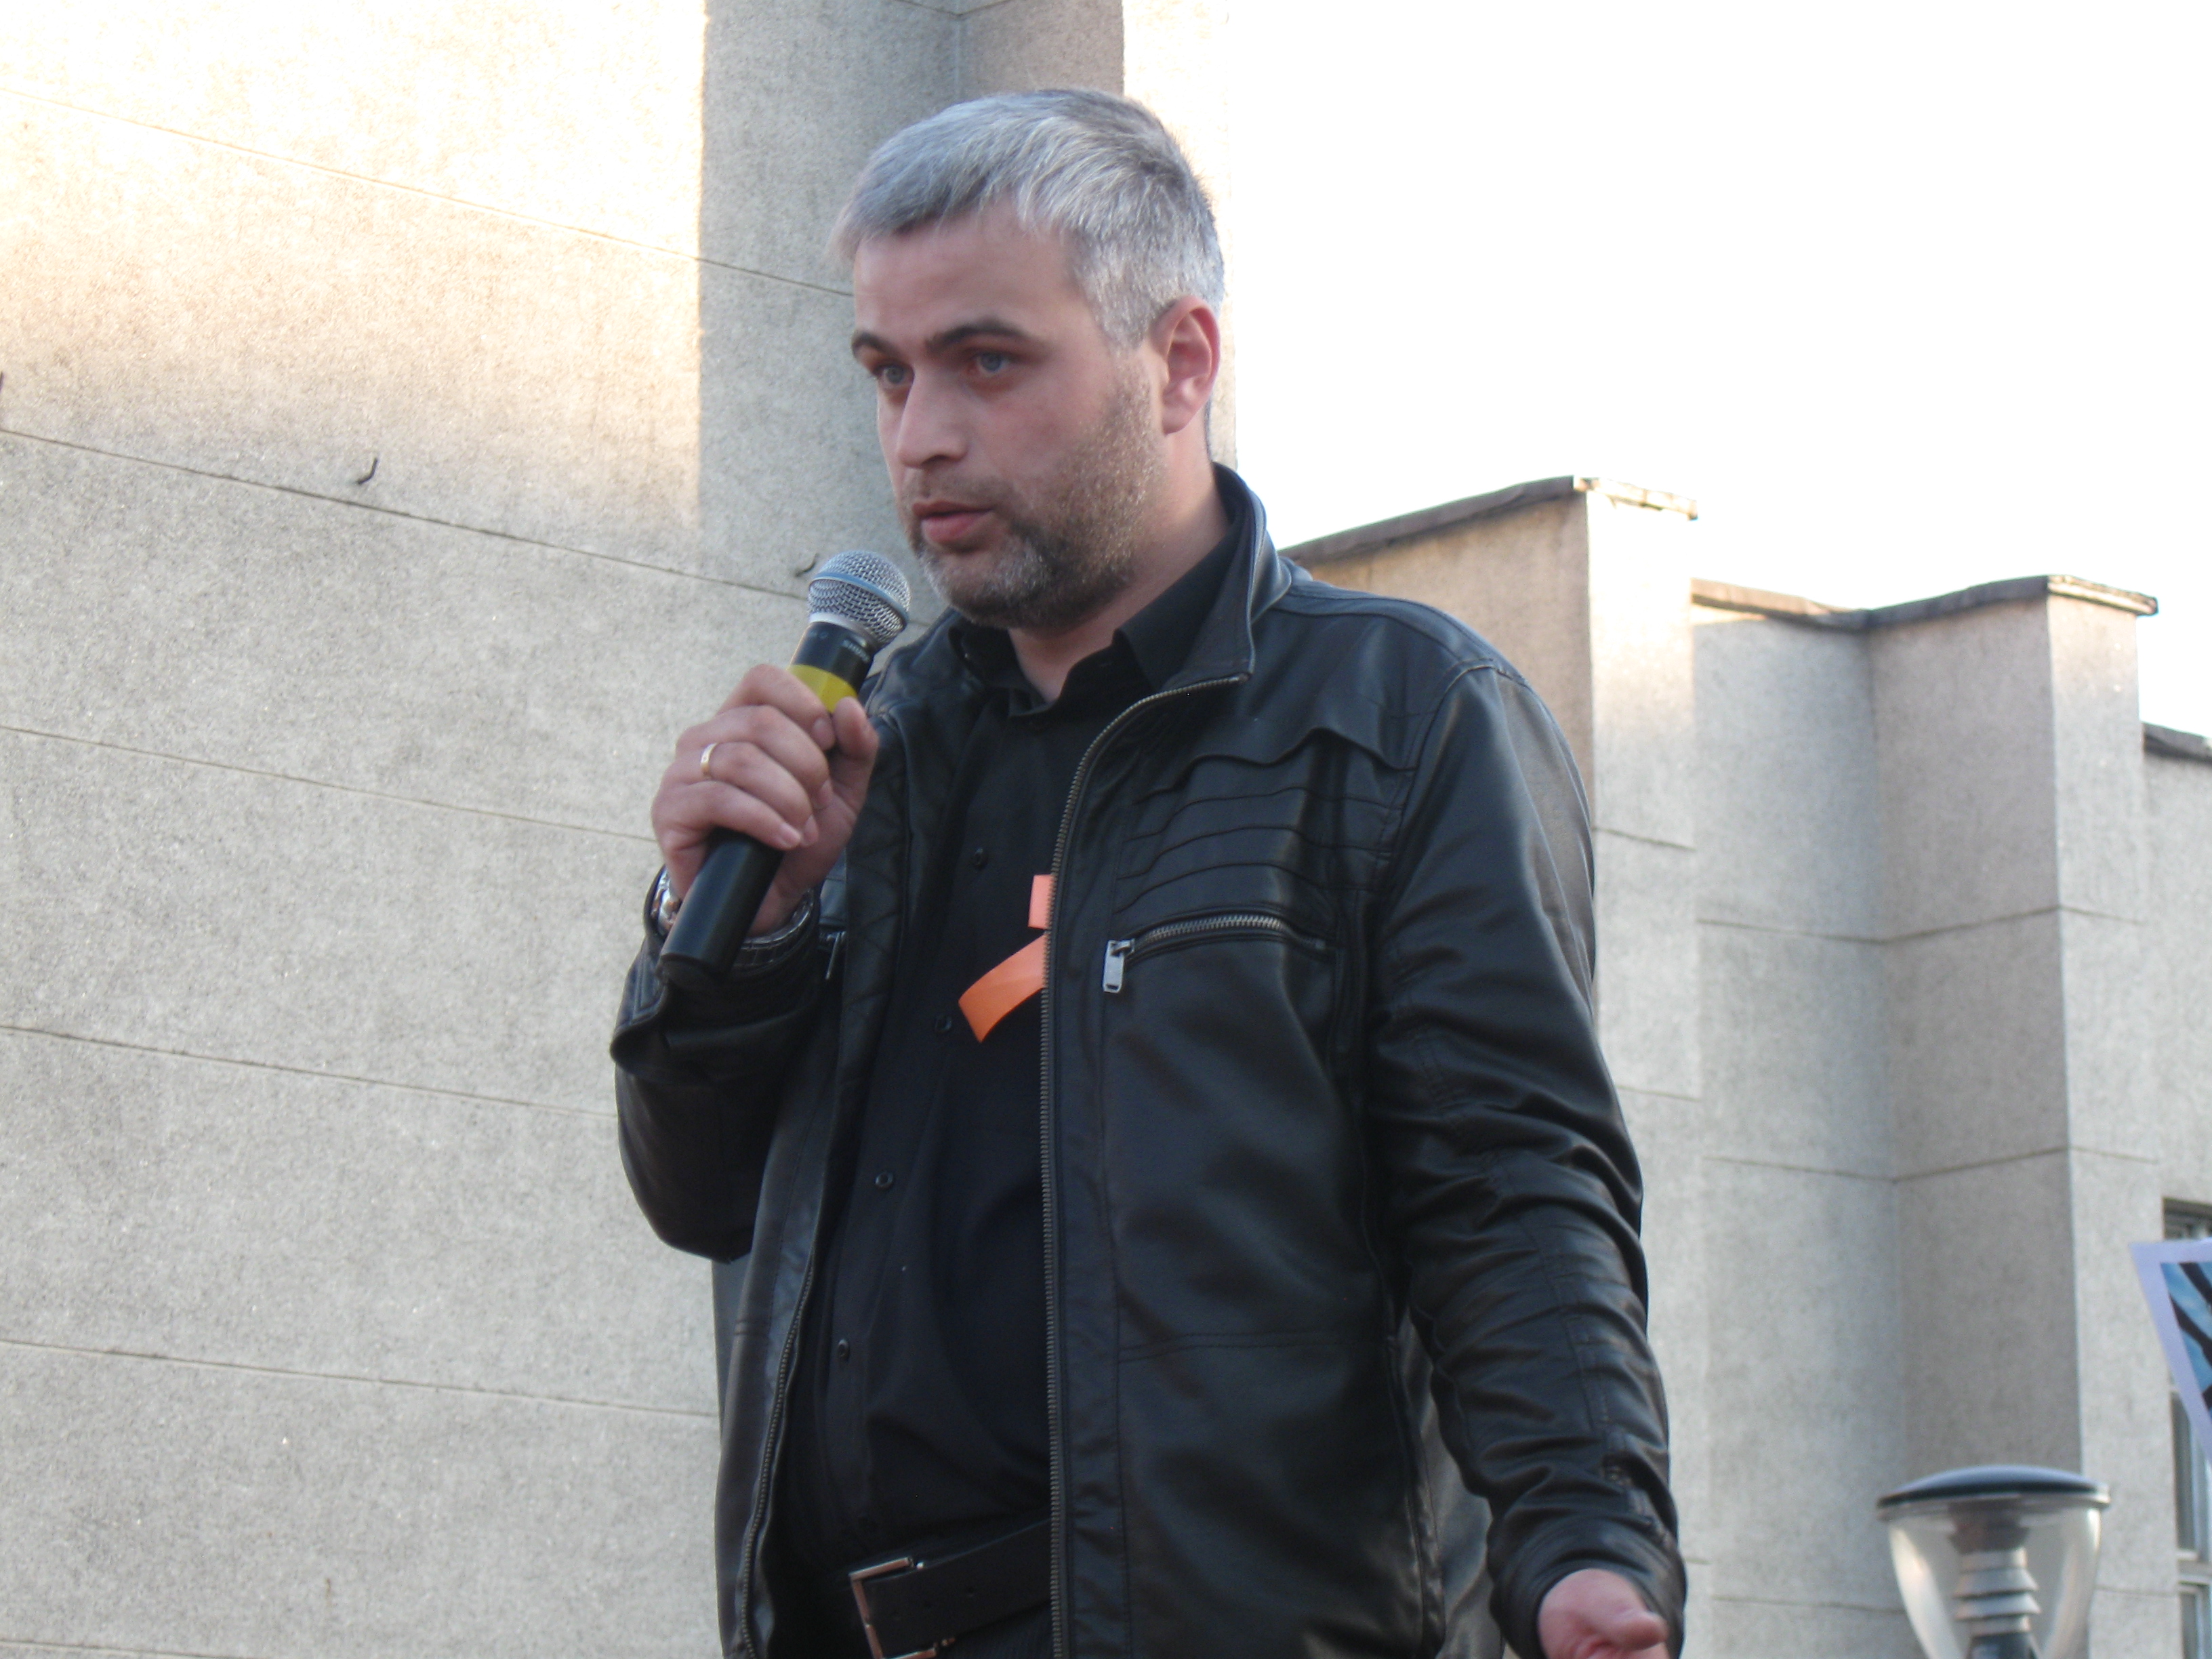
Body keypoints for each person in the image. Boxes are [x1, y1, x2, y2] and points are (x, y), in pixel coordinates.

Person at [613, 89, 1683, 1659]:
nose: (921, 436)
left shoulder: (1393, 718)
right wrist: (734, 936)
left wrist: (1586, 1534)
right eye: (890, 372)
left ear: (1181, 362)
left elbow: (1510, 1182)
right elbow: (699, 1195)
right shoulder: (870, 754)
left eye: (988, 361)